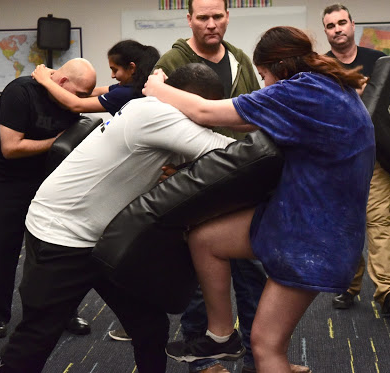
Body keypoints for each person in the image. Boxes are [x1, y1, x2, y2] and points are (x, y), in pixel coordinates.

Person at [142, 25, 375, 373]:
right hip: (305, 217)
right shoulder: (326, 85)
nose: (263, 85)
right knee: (205, 239)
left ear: (279, 68)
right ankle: (221, 334)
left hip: (311, 236)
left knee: (266, 347)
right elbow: (244, 124)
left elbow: (208, 113)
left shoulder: (300, 92)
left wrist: (157, 89)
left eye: (263, 76)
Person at [0, 63, 237, 373]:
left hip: (102, 237)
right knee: (38, 334)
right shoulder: (157, 114)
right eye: (205, 107)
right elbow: (232, 154)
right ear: (191, 100)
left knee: (149, 325)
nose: (207, 116)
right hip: (61, 235)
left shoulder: (149, 108)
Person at [126, 1, 266, 372]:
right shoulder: (172, 62)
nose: (211, 24)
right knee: (199, 278)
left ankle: (259, 358)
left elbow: (252, 113)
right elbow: (154, 116)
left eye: (217, 16)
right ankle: (204, 362)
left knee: (252, 274)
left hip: (239, 180)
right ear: (189, 19)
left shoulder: (238, 59)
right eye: (202, 17)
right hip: (193, 183)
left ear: (227, 17)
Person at [0, 58, 96, 339]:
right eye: (79, 95)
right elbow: (11, 147)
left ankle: (62, 311)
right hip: (2, 179)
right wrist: (61, 140)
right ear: (63, 82)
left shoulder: (71, 94)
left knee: (56, 248)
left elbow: (111, 93)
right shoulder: (21, 93)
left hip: (44, 177)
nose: (79, 102)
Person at [322, 3, 390, 315]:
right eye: (331, 26)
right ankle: (348, 286)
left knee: (378, 219)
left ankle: (388, 290)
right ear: (326, 31)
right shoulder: (319, 66)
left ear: (352, 24)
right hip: (337, 159)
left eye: (342, 22)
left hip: (375, 156)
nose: (337, 29)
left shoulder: (379, 62)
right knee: (346, 225)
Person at [31, 40, 160, 116]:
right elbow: (91, 92)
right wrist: (57, 74)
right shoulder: (134, 86)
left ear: (132, 68)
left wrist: (46, 81)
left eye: (115, 70)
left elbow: (77, 105)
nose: (112, 76)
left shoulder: (127, 93)